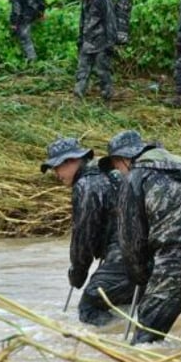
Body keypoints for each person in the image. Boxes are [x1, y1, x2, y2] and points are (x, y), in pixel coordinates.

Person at [111, 130, 181, 344]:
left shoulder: (135, 177)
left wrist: (140, 276)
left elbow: (130, 240)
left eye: (116, 166)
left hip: (174, 268)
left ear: (123, 159)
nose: (118, 172)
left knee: (144, 343)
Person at [40, 137, 135, 326]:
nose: (56, 173)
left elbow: (83, 235)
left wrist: (78, 272)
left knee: (90, 305)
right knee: (123, 303)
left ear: (71, 161)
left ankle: (107, 350)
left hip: (124, 254)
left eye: (57, 167)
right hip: (140, 252)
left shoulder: (86, 184)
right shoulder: (109, 174)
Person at [71, 0, 116, 102]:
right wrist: (80, 38)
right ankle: (78, 95)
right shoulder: (85, 0)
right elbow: (82, 21)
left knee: (102, 71)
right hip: (87, 41)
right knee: (82, 69)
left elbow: (110, 21)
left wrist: (110, 43)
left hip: (101, 42)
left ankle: (107, 96)